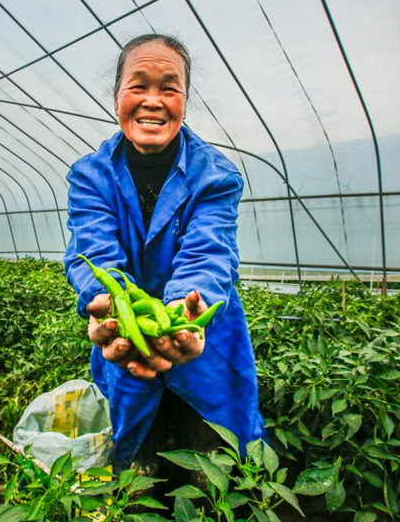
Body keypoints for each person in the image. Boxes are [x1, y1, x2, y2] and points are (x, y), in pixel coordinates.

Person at [63, 33, 265, 478]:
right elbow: (92, 253)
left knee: (209, 466)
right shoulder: (90, 176)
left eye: (169, 88)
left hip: (201, 341)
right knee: (139, 463)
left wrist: (184, 311)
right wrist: (104, 299)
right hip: (125, 338)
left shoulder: (215, 176)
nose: (153, 100)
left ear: (185, 101)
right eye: (139, 85)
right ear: (117, 95)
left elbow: (210, 254)